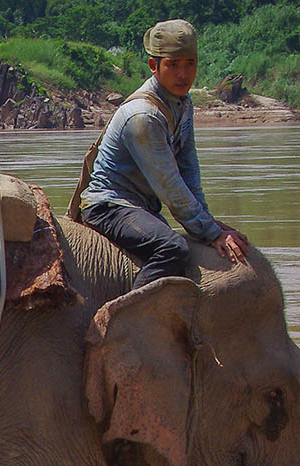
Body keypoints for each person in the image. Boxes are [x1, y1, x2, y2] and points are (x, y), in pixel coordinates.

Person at [73, 19, 250, 288]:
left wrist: (208, 222)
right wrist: (210, 233)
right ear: (154, 66)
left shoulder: (183, 102)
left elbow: (188, 168)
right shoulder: (143, 116)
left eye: (190, 63)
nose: (183, 74)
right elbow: (169, 184)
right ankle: (127, 321)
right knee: (172, 249)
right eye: (173, 64)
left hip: (142, 208)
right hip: (110, 207)